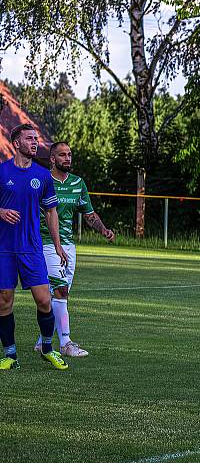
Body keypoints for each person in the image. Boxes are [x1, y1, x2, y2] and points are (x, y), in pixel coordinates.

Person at [33, 142, 115, 357]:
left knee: (59, 296)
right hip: (46, 243)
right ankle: (66, 343)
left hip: (68, 246)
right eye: (62, 155)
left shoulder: (78, 183)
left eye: (69, 154)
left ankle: (43, 341)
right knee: (61, 291)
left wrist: (103, 230)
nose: (67, 158)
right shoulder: (41, 180)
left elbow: (89, 214)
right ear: (52, 159)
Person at [0, 124, 68, 371]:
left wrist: (58, 246)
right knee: (4, 301)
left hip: (32, 248)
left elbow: (51, 212)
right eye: (29, 138)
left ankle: (48, 349)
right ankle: (10, 355)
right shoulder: (1, 171)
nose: (35, 142)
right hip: (4, 249)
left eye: (36, 138)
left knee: (43, 300)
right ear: (16, 143)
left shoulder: (43, 176)